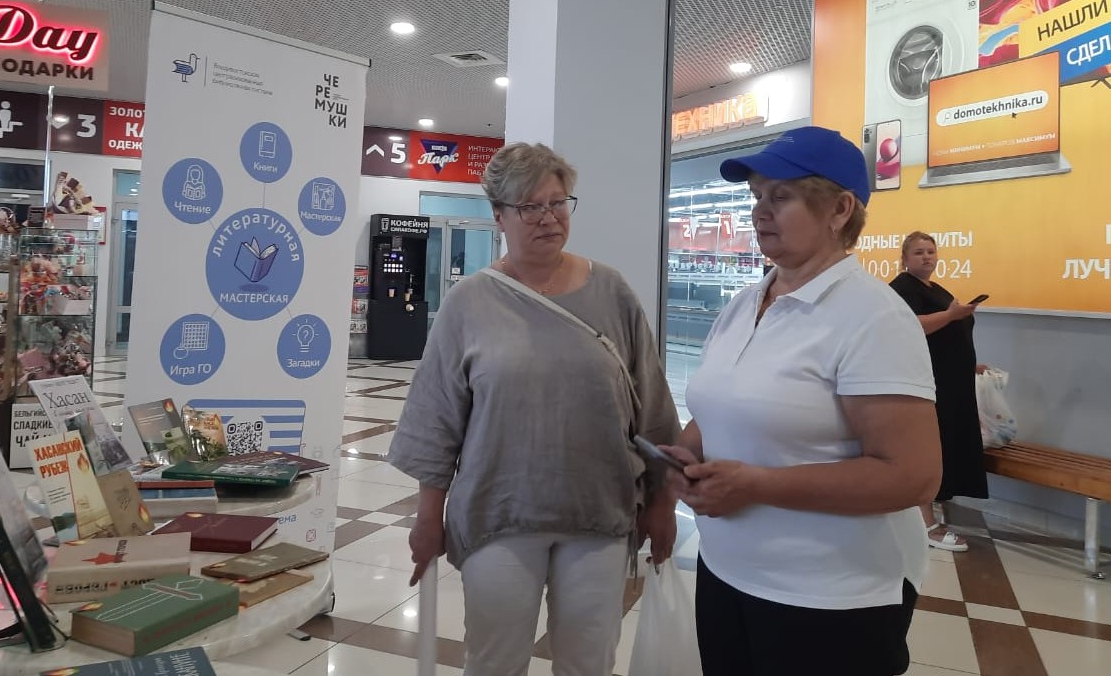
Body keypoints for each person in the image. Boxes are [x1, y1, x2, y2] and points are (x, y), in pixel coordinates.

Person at [388, 142, 680, 676]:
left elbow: (653, 408)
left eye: (557, 202)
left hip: (598, 512)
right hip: (500, 513)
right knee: (495, 661)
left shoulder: (612, 291)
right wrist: (428, 517)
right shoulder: (469, 303)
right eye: (529, 207)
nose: (548, 217)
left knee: (589, 662)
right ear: (498, 215)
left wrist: (662, 502)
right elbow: (436, 420)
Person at [661, 126, 940, 676]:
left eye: (781, 196)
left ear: (839, 209)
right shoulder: (745, 302)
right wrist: (684, 457)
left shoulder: (874, 317)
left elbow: (913, 477)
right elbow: (718, 410)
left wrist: (757, 485)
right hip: (726, 572)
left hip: (830, 597)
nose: (759, 211)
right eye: (756, 196)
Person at [889, 231, 989, 552]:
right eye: (919, 252)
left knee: (946, 446)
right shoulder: (902, 288)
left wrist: (969, 364)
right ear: (905, 258)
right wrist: (950, 315)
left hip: (951, 383)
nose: (926, 257)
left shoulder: (936, 288)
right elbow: (910, 326)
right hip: (928, 385)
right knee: (927, 450)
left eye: (930, 251)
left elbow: (948, 335)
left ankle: (928, 513)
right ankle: (925, 524)